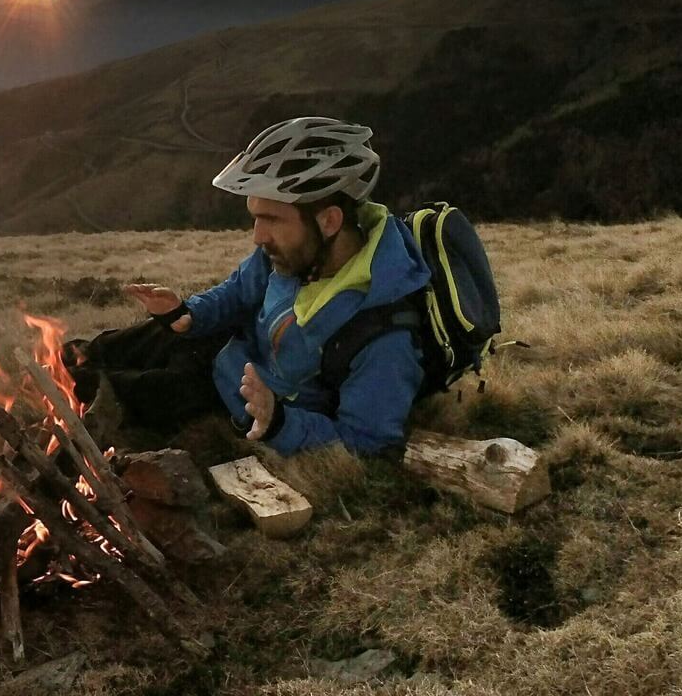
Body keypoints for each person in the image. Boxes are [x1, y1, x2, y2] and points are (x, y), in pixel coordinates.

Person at [64, 116, 430, 457]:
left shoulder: (383, 334)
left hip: (234, 400)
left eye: (270, 219)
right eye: (255, 217)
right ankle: (72, 362)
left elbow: (367, 443)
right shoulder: (299, 252)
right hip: (226, 348)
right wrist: (187, 313)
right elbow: (239, 291)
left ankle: (67, 397)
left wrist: (279, 422)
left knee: (110, 389)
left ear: (330, 221)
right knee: (102, 348)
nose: (257, 237)